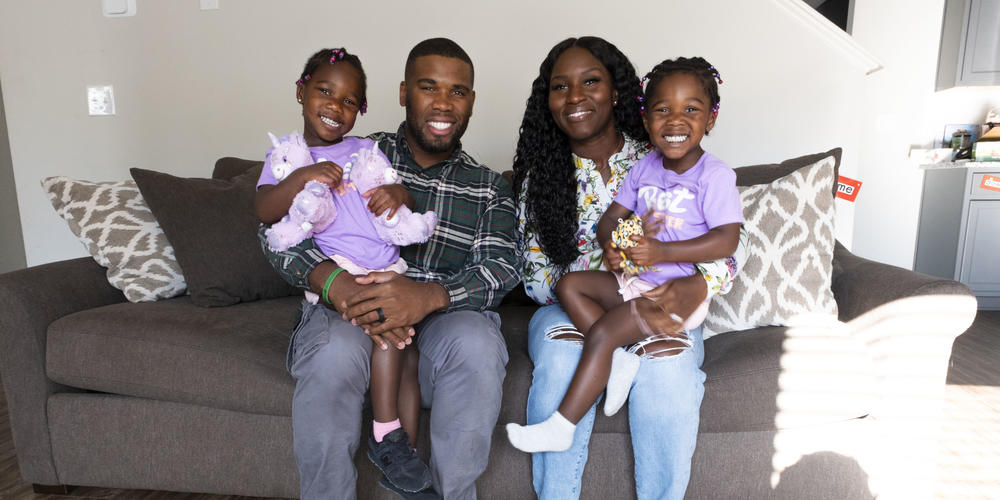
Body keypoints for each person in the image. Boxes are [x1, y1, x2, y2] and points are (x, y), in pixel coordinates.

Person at [257, 38, 520, 500]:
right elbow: (276, 228)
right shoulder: (355, 152)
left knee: (477, 343)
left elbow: (501, 266)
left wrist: (429, 296)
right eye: (428, 87)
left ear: (471, 102)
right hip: (347, 311)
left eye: (458, 92)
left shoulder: (488, 188)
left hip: (441, 325)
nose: (443, 103)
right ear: (403, 93)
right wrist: (334, 282)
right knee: (334, 353)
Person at [510, 37, 745, 500]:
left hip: (666, 293)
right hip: (581, 304)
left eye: (591, 81)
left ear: (617, 92)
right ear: (548, 101)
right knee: (562, 354)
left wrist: (700, 283)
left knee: (667, 371)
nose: (576, 97)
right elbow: (537, 280)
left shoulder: (660, 154)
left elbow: (736, 240)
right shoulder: (540, 177)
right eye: (561, 87)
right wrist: (614, 255)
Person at [254, 47, 436, 494]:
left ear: (361, 109)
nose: (335, 107)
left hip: (383, 270)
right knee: (376, 336)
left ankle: (393, 446)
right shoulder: (286, 157)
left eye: (350, 101)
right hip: (335, 280)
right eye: (324, 92)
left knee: (399, 340)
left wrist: (399, 196)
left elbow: (396, 191)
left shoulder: (366, 149)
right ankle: (388, 434)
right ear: (301, 92)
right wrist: (303, 177)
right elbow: (265, 211)